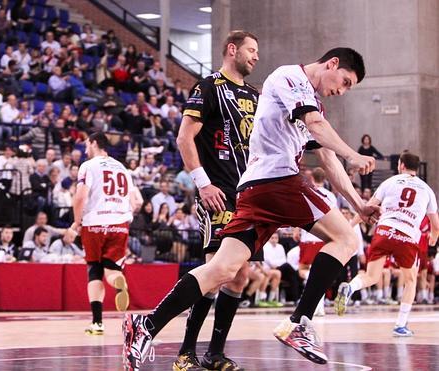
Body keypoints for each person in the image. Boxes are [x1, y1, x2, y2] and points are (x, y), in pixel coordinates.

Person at [123, 47, 378, 370]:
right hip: (279, 181)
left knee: (222, 270)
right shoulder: (290, 77)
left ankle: (145, 326)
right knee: (346, 239)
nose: (341, 90)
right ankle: (299, 321)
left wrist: (358, 203)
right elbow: (315, 126)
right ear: (332, 64)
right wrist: (354, 155)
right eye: (344, 82)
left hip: (255, 191)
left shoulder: (312, 103)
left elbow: (327, 159)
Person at [139, 30, 261, 371]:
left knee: (238, 276)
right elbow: (184, 138)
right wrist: (203, 184)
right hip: (217, 193)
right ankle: (185, 351)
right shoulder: (208, 86)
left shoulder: (254, 93)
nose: (255, 56)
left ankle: (214, 352)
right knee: (216, 272)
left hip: (248, 196)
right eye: (251, 50)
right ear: (231, 49)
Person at [335, 151, 439, 337]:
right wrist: (433, 236)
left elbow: (366, 208)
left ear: (400, 165)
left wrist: (351, 225)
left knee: (371, 276)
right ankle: (400, 325)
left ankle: (350, 287)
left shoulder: (389, 182)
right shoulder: (427, 190)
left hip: (383, 231)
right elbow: (435, 225)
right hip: (406, 236)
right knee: (410, 280)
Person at [70, 132, 143, 336]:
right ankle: (118, 281)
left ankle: (97, 323)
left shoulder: (88, 166)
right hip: (120, 223)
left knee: (94, 270)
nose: (85, 150)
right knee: (111, 268)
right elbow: (137, 202)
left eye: (86, 145)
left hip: (94, 223)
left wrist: (76, 222)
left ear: (94, 143)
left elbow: (80, 197)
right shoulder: (122, 168)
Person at [297, 167, 339, 316]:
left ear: (312, 178)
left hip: (308, 238)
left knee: (303, 270)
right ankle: (318, 305)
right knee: (319, 272)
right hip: (324, 238)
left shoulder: (308, 191)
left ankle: (316, 304)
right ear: (325, 179)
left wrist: (297, 230)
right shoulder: (331, 196)